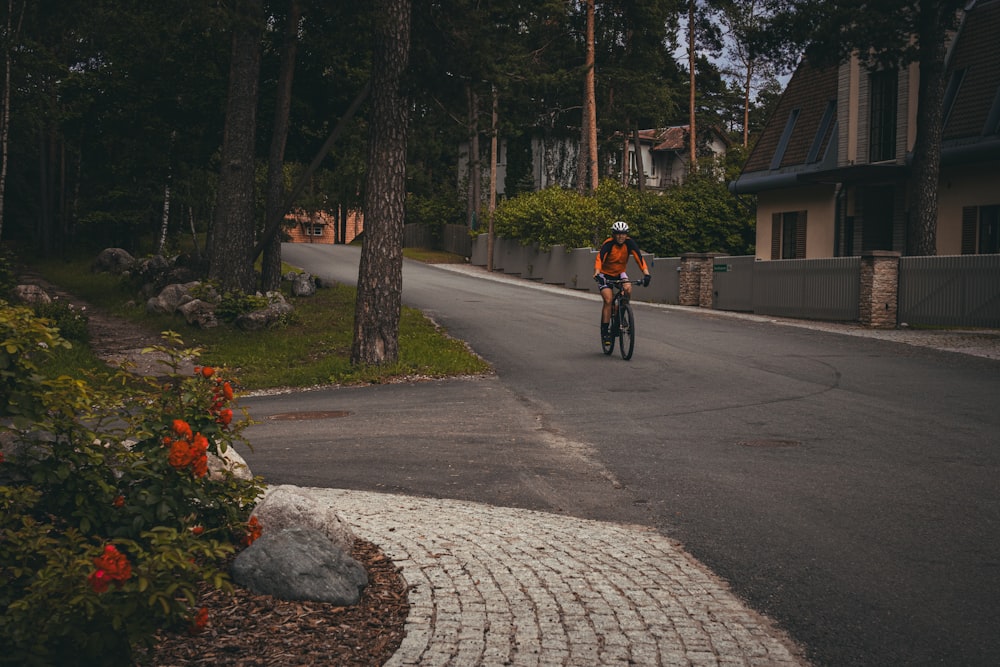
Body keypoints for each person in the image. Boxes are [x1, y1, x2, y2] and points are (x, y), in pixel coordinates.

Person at [593, 220, 651, 344]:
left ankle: (622, 311)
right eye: (618, 234)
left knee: (628, 288)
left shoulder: (630, 244)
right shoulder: (608, 244)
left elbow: (639, 259)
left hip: (620, 273)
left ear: (627, 234)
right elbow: (600, 258)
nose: (621, 236)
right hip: (605, 275)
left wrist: (646, 274)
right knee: (608, 300)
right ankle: (605, 333)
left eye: (623, 234)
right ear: (614, 234)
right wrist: (597, 273)